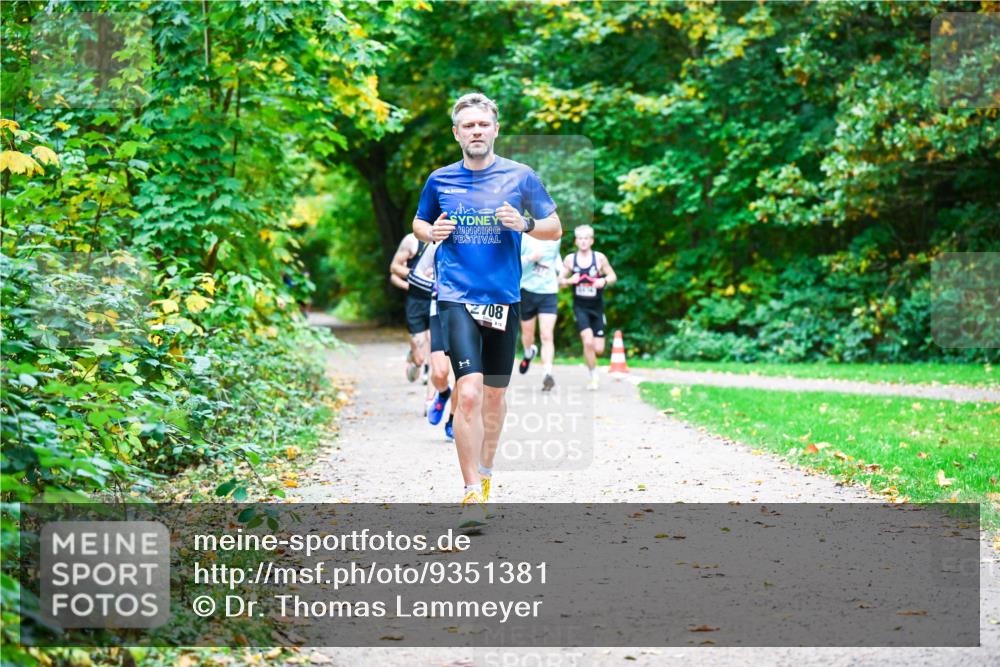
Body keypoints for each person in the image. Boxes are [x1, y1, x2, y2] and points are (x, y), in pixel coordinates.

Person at [412, 92, 561, 506]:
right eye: (468, 126)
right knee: (471, 392)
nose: (476, 131)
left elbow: (555, 227)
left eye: (483, 124)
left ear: (494, 129)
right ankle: (470, 490)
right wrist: (430, 233)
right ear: (457, 133)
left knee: (495, 395)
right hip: (456, 296)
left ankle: (487, 472)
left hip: (504, 298)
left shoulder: (521, 176)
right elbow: (420, 221)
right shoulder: (440, 179)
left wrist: (526, 223)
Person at [560, 225, 616, 391]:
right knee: (588, 341)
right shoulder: (570, 260)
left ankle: (592, 363)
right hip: (580, 307)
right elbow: (559, 281)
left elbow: (613, 276)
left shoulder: (599, 258)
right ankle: (593, 376)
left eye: (587, 238)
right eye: (580, 238)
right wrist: (570, 280)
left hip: (597, 308)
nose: (583, 241)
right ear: (576, 241)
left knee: (598, 348)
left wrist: (604, 281)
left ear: (592, 240)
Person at [518, 232, 561, 391]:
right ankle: (529, 353)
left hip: (548, 291)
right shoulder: (524, 237)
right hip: (527, 290)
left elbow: (556, 257)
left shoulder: (555, 235)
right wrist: (530, 258)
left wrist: (561, 271)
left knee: (546, 334)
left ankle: (547, 373)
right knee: (528, 334)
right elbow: (513, 264)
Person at [390, 233, 432, 384]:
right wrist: (412, 282)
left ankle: (430, 374)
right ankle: (416, 360)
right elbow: (393, 269)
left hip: (437, 300)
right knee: (420, 355)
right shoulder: (411, 240)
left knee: (433, 340)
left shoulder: (448, 239)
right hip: (416, 302)